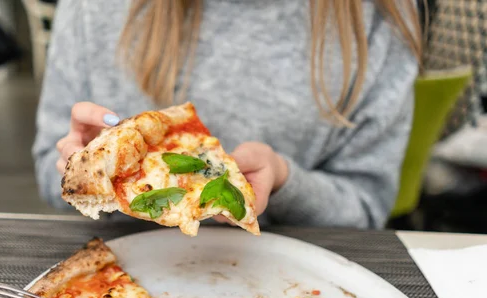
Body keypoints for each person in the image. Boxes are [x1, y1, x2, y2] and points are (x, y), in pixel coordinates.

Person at [33, 0, 422, 229]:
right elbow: (48, 179)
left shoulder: (381, 19)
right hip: (116, 284)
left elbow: (367, 210)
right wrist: (84, 174)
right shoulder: (93, 8)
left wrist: (285, 181)